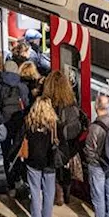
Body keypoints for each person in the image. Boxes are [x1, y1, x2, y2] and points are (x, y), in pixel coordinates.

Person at [0, 51, 28, 194]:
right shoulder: (22, 86)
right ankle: (19, 179)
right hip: (18, 123)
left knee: (6, 152)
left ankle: (10, 183)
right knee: (18, 151)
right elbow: (27, 103)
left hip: (4, 122)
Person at [44, 70, 84, 207]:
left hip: (56, 139)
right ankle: (67, 193)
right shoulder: (71, 100)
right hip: (71, 140)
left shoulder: (49, 102)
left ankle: (58, 194)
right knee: (65, 166)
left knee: (55, 164)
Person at [22, 97, 60, 217]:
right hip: (49, 162)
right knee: (49, 192)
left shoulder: (29, 122)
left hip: (33, 161)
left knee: (35, 192)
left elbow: (21, 140)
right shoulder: (54, 124)